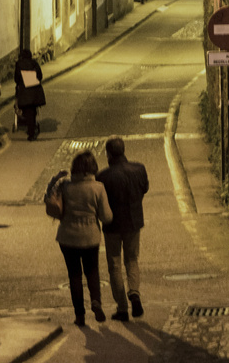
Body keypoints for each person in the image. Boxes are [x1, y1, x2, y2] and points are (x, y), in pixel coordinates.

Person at [45, 151, 112, 327]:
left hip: (67, 237)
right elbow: (106, 216)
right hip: (90, 237)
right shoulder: (98, 187)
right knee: (92, 271)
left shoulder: (65, 186)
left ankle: (80, 315)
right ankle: (96, 301)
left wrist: (55, 178)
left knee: (74, 275)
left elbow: (49, 198)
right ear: (93, 168)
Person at [96, 136, 149, 321]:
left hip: (112, 226)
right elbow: (145, 188)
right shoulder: (139, 169)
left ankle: (122, 308)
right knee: (132, 259)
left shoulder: (103, 176)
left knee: (115, 265)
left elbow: (100, 202)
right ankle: (134, 292)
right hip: (134, 222)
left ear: (109, 154)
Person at [14, 47, 44, 140]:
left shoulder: (19, 64)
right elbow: (40, 75)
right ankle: (32, 130)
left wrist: (22, 82)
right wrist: (33, 79)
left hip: (24, 91)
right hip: (34, 90)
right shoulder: (34, 63)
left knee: (27, 111)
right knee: (33, 111)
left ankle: (31, 131)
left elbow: (16, 78)